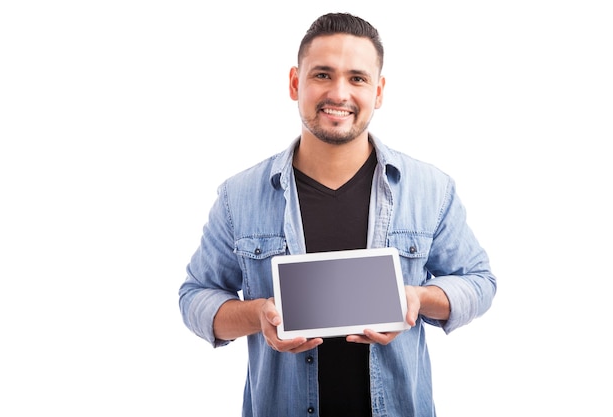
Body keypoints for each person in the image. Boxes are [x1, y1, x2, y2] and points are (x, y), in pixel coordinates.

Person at [179, 12, 496, 417]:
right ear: (296, 83)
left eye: (357, 78)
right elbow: (196, 298)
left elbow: (479, 282)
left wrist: (418, 298)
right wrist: (258, 315)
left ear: (378, 91)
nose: (339, 93)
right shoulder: (238, 196)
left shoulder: (430, 189)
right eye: (323, 75)